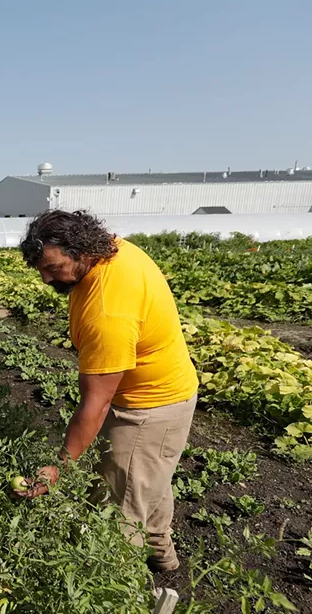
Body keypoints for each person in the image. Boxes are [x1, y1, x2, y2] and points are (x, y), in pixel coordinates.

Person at [18, 210, 198, 572]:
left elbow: (95, 406)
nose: (45, 278)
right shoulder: (113, 250)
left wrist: (58, 468)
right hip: (165, 394)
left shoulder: (107, 312)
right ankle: (163, 560)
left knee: (116, 516)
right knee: (146, 483)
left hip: (146, 411)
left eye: (52, 268)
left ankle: (119, 599)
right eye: (40, 269)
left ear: (80, 250)